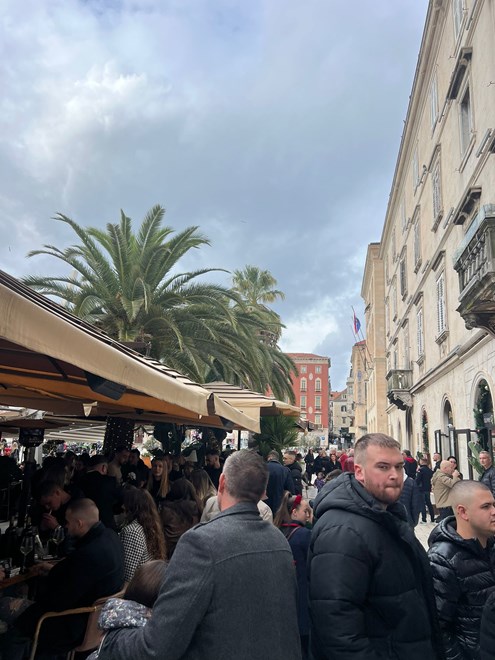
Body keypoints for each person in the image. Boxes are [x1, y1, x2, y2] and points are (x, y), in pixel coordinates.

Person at [98, 450, 302, 660]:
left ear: (222, 483)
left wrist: (112, 640)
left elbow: (158, 646)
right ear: (263, 492)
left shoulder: (201, 543)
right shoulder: (280, 543)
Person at [308, 433, 442, 660]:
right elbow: (337, 626)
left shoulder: (387, 514)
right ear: (359, 472)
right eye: (383, 467)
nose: (394, 475)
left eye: (399, 466)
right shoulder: (343, 531)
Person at [1, 499, 124, 660]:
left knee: (14, 624)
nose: (65, 526)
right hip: (95, 623)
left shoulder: (89, 554)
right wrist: (54, 570)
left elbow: (57, 599)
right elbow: (80, 577)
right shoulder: (111, 537)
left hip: (69, 623)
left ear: (79, 523)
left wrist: (50, 578)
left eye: (67, 522)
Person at [428, 481, 495, 659]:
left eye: (494, 504)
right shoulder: (442, 560)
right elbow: (439, 628)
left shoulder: (491, 545)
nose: (494, 511)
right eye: (486, 507)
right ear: (463, 512)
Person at [274, 492, 313, 658]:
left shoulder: (276, 533)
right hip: (303, 601)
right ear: (294, 512)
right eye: (306, 511)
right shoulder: (304, 536)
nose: (308, 516)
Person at [120, 487, 166, 583]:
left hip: (136, 586)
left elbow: (128, 574)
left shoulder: (132, 531)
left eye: (126, 504)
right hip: (148, 583)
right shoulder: (150, 526)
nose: (123, 506)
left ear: (133, 507)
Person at [79, 454, 120, 530]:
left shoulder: (79, 480)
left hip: (83, 525)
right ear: (104, 468)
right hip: (105, 525)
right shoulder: (109, 482)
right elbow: (119, 498)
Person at [416, 457, 435, 523]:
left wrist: (415, 485)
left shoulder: (420, 470)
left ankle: (424, 519)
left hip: (421, 489)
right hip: (428, 488)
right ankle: (432, 518)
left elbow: (418, 479)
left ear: (421, 462)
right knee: (429, 503)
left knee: (422, 504)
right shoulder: (430, 470)